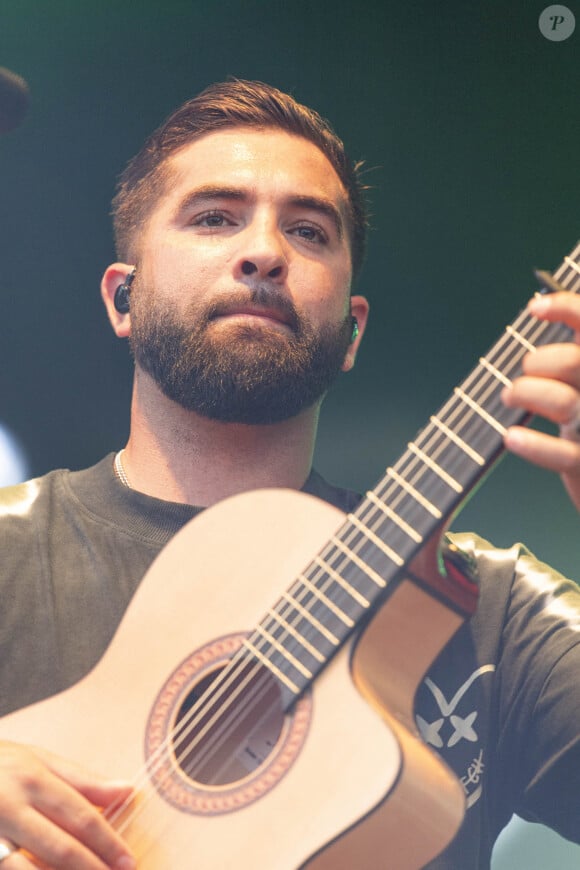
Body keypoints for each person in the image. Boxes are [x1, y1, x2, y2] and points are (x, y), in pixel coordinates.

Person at [0, 79, 579, 870]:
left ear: (352, 331)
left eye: (309, 232)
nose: (265, 251)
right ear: (122, 298)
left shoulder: (492, 614)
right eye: (214, 218)